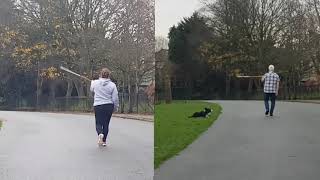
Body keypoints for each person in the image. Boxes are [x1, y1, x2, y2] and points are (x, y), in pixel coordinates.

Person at [90, 68, 119, 146]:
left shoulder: (95, 83)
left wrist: (92, 83)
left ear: (100, 74)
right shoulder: (112, 85)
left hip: (98, 105)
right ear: (109, 75)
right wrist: (115, 107)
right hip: (108, 106)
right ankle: (104, 141)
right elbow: (115, 98)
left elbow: (92, 90)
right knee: (106, 124)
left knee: (98, 123)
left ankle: (100, 134)